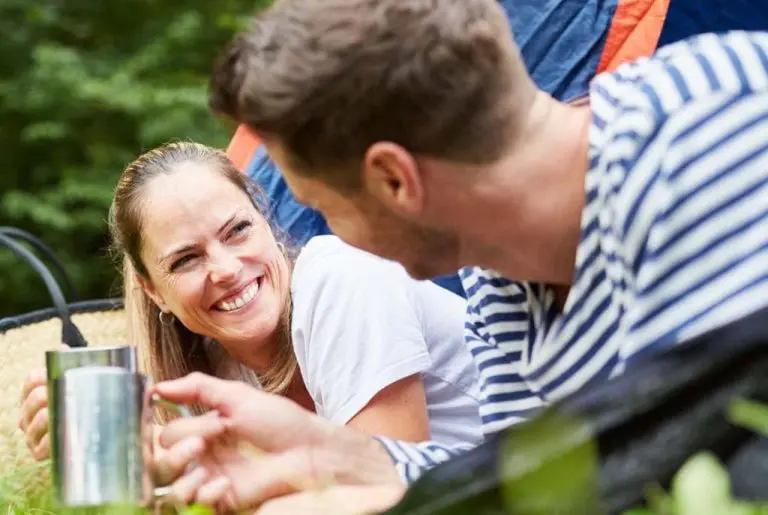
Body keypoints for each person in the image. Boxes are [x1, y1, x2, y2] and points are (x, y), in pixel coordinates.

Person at [143, 0, 768, 510]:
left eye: (321, 207)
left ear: (395, 181)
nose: (325, 234)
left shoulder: (716, 121)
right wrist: (348, 459)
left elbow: (698, 435)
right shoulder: (500, 285)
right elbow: (535, 486)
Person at [17, 142, 483, 463]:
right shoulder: (215, 375)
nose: (225, 269)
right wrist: (113, 448)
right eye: (185, 259)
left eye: (237, 230)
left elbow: (387, 494)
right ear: (154, 290)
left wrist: (161, 446)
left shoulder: (343, 281)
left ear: (265, 220)